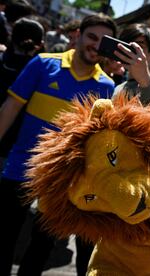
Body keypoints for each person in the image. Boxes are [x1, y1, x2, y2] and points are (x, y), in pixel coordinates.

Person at [0, 13, 117, 276]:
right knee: (5, 236)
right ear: (78, 36)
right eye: (91, 37)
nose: (95, 45)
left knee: (41, 246)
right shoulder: (42, 64)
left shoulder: (107, 87)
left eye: (103, 41)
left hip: (62, 180)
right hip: (20, 166)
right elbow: (10, 108)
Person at [0, 17, 44, 169]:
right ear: (41, 44)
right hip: (19, 150)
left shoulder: (3, 60)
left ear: (12, 37)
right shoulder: (43, 71)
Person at [112, 23, 150, 105]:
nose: (130, 51)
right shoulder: (118, 89)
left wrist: (146, 83)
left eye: (139, 46)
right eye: (127, 46)